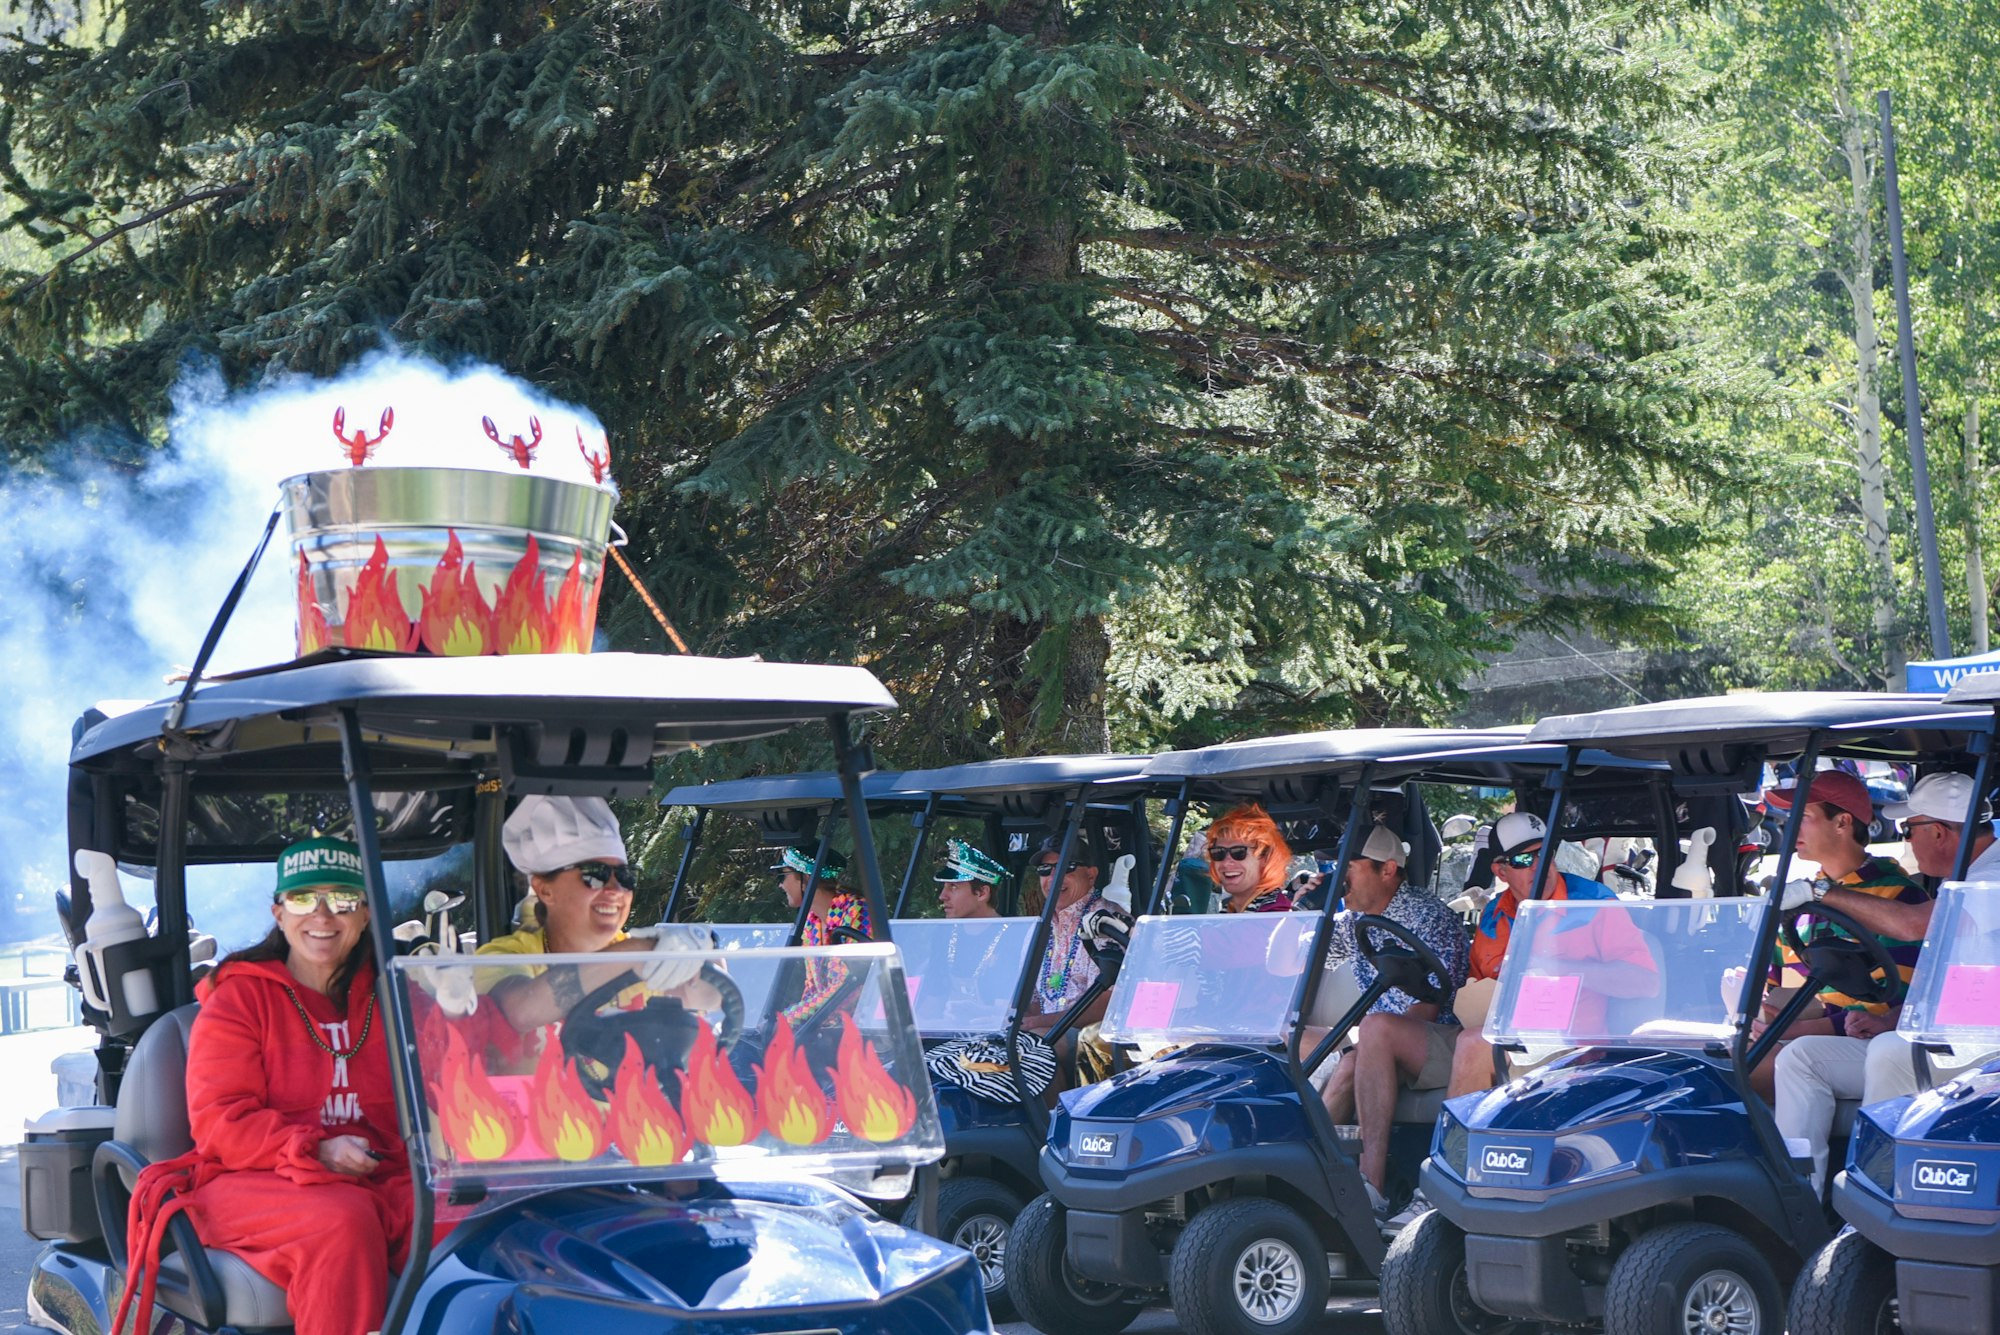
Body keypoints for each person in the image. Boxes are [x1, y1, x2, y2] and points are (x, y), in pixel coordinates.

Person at [115, 837, 411, 1335]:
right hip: (247, 1177)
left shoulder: (394, 997)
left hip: (375, 1173)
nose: (322, 915)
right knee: (343, 1223)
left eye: (342, 900)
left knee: (471, 1219)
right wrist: (317, 1148)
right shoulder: (240, 1000)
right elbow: (219, 1125)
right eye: (302, 899)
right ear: (278, 912)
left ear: (364, 915)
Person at [1770, 770, 1980, 1188]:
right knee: (1798, 1056)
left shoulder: (1980, 878)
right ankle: (1798, 1203)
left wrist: (1819, 894)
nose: (1905, 839)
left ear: (1937, 832)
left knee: (1885, 1050)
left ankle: (1871, 1197)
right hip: (1955, 1032)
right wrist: (1889, 1019)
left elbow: (1913, 927)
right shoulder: (1967, 878)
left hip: (1977, 1046)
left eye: (1909, 828)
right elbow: (1949, 991)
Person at [1314, 825, 1471, 1217]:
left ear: (1387, 870)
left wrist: (1366, 1044)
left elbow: (1428, 1005)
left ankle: (1369, 1184)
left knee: (1373, 1035)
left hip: (1437, 1039)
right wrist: (1308, 909)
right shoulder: (1355, 918)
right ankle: (1306, 1174)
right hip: (1381, 1036)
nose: (1341, 875)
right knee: (1302, 1041)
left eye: (1349, 867)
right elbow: (1308, 956)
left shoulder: (1427, 916)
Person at [474, 795, 709, 1041]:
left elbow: (713, 997)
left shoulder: (646, 957)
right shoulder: (501, 957)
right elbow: (522, 1011)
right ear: (545, 890)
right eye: (595, 875)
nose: (616, 890)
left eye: (625, 876)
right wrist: (635, 953)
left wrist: (702, 951)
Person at [1444, 811, 1624, 1097]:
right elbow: (1476, 986)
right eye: (1524, 860)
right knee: (1379, 1032)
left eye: (1545, 853)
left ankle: (1453, 1144)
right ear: (1501, 871)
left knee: (1473, 1045)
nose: (1539, 866)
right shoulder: (1492, 914)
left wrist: (1562, 968)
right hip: (1503, 1036)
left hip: (1570, 1048)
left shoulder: (1595, 902)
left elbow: (1644, 982)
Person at [771, 843, 871, 1027]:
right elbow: (812, 989)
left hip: (860, 1030)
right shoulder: (812, 921)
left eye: (783, 876)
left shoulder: (857, 910)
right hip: (826, 1030)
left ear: (806, 877)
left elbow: (850, 987)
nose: (780, 884)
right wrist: (797, 1023)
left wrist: (790, 1018)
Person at [1206, 803, 1298, 914]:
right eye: (1218, 853)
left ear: (1266, 857)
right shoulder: (1228, 912)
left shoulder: (1275, 914)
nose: (1226, 863)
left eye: (1239, 852)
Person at [936, 837, 1005, 919]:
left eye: (953, 886)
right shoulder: (942, 931)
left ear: (982, 893)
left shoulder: (1014, 931)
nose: (942, 896)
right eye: (945, 886)